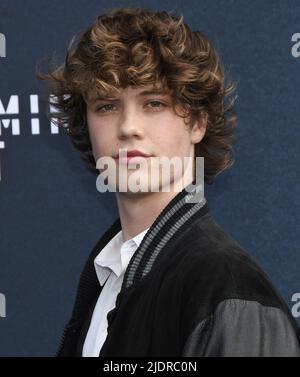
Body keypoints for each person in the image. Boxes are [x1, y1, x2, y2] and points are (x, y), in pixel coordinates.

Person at [37, 7, 300, 357]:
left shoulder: (228, 291)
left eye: (154, 103)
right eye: (106, 106)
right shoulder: (108, 277)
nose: (129, 127)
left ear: (197, 123)